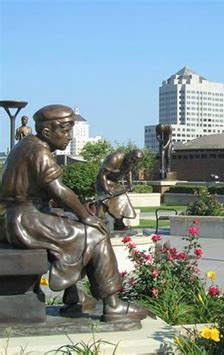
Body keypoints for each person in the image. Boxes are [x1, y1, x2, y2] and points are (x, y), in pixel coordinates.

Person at [1, 104, 148, 321]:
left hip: (17, 217)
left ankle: (75, 296)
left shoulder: (27, 145)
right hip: (22, 220)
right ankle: (113, 304)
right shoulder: (38, 151)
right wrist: (85, 216)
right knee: (95, 234)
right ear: (47, 132)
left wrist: (75, 214)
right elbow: (59, 190)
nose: (69, 136)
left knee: (73, 225)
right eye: (65, 130)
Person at [96, 149, 144, 230]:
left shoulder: (131, 162)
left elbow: (128, 173)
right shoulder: (114, 158)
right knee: (104, 201)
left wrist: (130, 184)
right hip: (103, 181)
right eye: (132, 159)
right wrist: (106, 189)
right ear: (129, 154)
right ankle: (99, 223)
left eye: (135, 162)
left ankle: (119, 223)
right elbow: (102, 175)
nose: (132, 162)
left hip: (115, 183)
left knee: (123, 199)